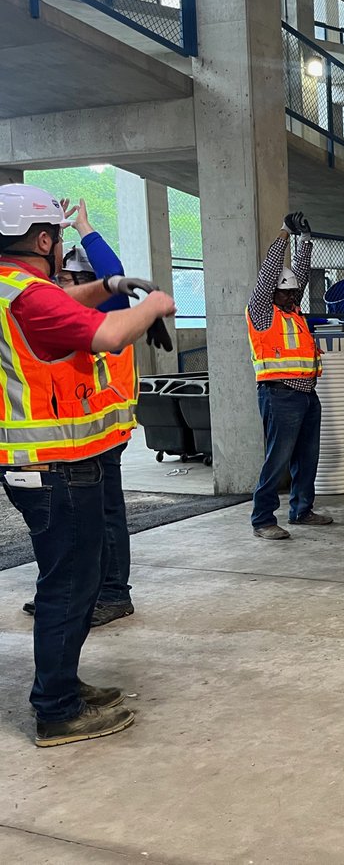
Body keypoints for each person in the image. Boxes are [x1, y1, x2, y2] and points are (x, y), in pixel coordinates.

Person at [0, 183, 175, 746]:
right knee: (69, 586)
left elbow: (64, 303)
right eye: (57, 238)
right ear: (43, 240)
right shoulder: (27, 295)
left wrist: (110, 285)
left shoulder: (13, 288)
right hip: (54, 466)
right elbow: (107, 332)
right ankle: (56, 709)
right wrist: (151, 305)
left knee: (76, 579)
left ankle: (64, 685)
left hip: (46, 463)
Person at [24, 200, 146, 627]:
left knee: (106, 515)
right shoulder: (58, 310)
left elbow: (115, 273)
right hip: (71, 433)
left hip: (104, 431)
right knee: (73, 520)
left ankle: (113, 594)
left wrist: (83, 229)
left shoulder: (105, 310)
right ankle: (72, 593)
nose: (57, 282)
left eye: (66, 278)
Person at [247, 212, 334, 540]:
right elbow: (270, 273)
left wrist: (305, 241)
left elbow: (299, 273)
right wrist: (284, 233)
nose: (292, 296)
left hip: (307, 394)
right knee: (278, 458)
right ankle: (262, 519)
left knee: (307, 456)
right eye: (285, 293)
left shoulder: (292, 311)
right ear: (271, 293)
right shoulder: (261, 312)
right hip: (279, 394)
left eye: (294, 293)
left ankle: (301, 510)